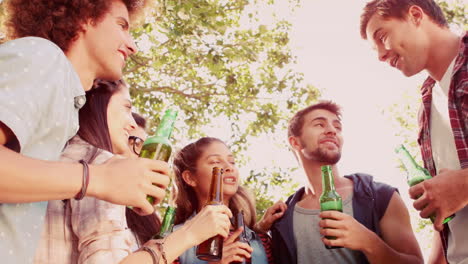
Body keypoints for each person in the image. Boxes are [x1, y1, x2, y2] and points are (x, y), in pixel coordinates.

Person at [0, 0, 169, 262]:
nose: (132, 45)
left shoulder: (67, 111)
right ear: (85, 17)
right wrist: (101, 179)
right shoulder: (43, 57)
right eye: (121, 25)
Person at [35, 80, 233, 263]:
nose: (131, 124)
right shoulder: (104, 166)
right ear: (97, 103)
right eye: (127, 107)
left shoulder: (52, 156)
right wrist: (189, 235)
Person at [360, 1, 468, 262]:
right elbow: (447, 207)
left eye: (382, 36)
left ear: (416, 15)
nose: (381, 56)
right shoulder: (428, 105)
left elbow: (457, 190)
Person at [270, 101, 423, 264]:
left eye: (337, 127)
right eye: (319, 124)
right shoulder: (281, 218)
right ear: (295, 142)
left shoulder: (381, 196)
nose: (331, 130)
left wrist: (370, 243)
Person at [172, 137, 275, 264]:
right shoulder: (171, 240)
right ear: (190, 178)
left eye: (232, 162)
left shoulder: (261, 240)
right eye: (215, 162)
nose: (229, 167)